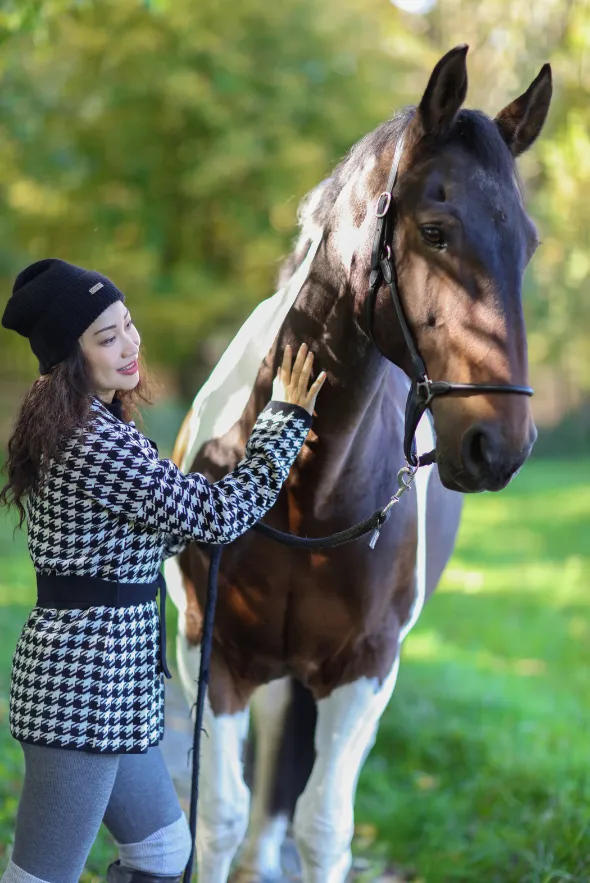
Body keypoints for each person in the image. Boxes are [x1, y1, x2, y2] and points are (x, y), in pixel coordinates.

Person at [0, 258, 326, 883]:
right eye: (106, 337)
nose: (129, 345)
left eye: (128, 325)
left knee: (162, 855)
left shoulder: (97, 423)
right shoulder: (88, 439)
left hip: (112, 687)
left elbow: (161, 525)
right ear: (72, 357)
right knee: (39, 877)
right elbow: (220, 514)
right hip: (80, 690)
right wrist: (283, 419)